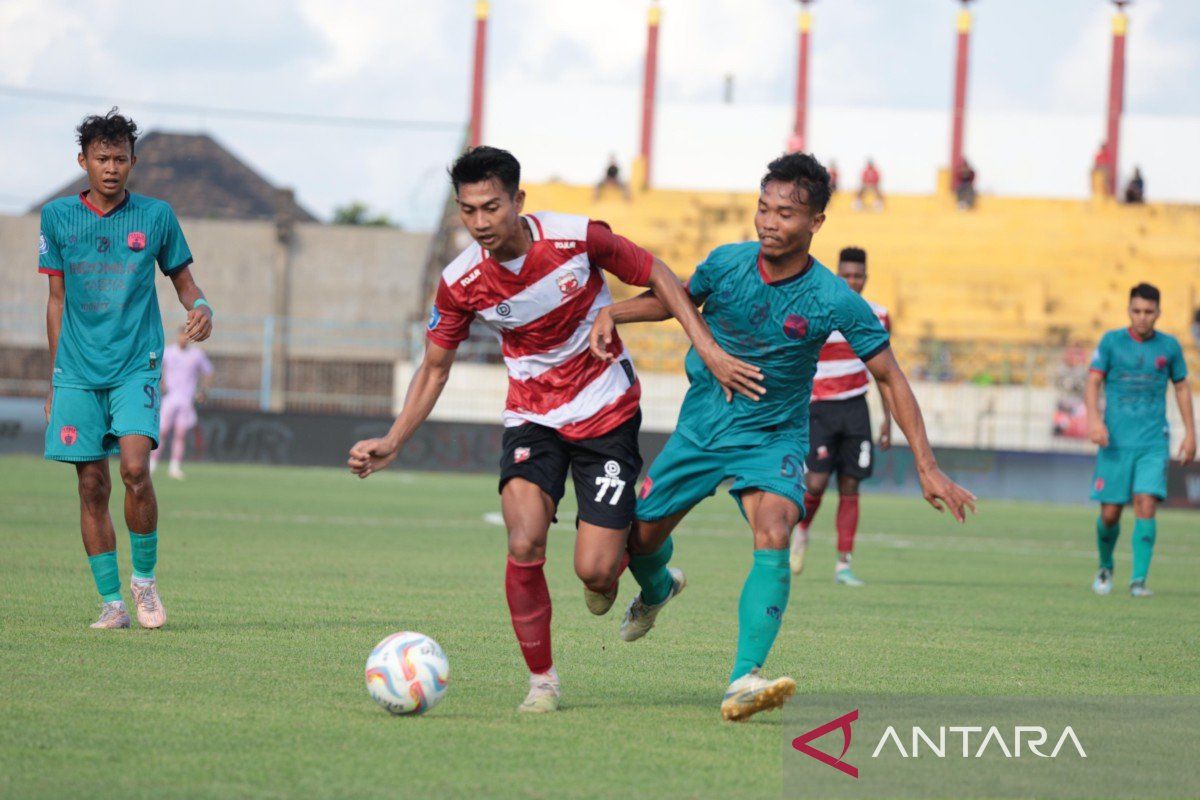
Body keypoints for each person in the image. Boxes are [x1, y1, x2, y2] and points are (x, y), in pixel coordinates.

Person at [346, 146, 758, 714]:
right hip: (532, 418)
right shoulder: (461, 281)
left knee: (596, 578)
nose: (481, 223)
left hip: (606, 413)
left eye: (492, 207)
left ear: (518, 200)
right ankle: (542, 681)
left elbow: (660, 275)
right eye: (468, 211)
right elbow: (435, 367)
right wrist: (393, 440)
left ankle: (656, 585)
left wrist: (705, 348)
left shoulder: (576, 238)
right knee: (523, 542)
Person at [588, 152, 976, 721]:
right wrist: (613, 314)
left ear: (816, 222)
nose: (770, 222)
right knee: (639, 543)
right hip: (702, 428)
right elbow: (672, 300)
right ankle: (658, 589)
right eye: (763, 209)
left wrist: (927, 464)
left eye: (786, 214)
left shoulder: (834, 298)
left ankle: (743, 677)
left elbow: (889, 374)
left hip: (774, 436)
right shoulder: (726, 263)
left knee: (775, 529)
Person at [39, 108, 213, 630]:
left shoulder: (156, 216)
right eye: (101, 158)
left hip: (136, 363)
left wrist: (200, 306)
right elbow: (55, 299)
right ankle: (111, 603)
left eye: (119, 159)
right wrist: (54, 376)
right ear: (83, 161)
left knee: (135, 470)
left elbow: (185, 282)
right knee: (91, 484)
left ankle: (144, 583)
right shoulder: (57, 217)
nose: (111, 167)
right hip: (75, 369)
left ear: (133, 162)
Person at [789, 247, 893, 585]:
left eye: (858, 276)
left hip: (855, 409)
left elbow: (885, 371)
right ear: (836, 276)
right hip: (819, 409)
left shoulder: (878, 315)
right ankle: (802, 528)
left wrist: (888, 420)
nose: (852, 281)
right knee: (815, 482)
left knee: (851, 485)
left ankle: (843, 565)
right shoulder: (817, 313)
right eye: (845, 275)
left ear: (866, 278)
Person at [1085, 283, 1195, 598]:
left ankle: (1138, 581)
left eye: (1148, 312)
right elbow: (1093, 383)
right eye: (1137, 311)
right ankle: (1105, 567)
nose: (1142, 317)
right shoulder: (1111, 342)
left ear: (1158, 312)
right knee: (1110, 514)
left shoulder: (1169, 347)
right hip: (1115, 443)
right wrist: (1094, 420)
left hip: (1152, 442)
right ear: (1129, 310)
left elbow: (1182, 388)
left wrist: (1190, 433)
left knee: (1146, 504)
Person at [150, 325, 214, 479]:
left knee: (180, 434)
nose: (183, 338)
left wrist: (203, 391)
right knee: (162, 431)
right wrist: (159, 381)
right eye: (181, 335)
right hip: (170, 398)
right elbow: (153, 361)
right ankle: (151, 464)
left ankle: (174, 466)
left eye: (186, 336)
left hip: (186, 400)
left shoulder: (196, 354)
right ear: (177, 336)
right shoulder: (169, 351)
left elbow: (209, 372)